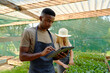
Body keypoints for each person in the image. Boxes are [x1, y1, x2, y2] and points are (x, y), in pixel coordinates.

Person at [19, 8, 68, 73]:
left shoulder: (52, 36)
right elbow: (22, 57)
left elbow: (52, 57)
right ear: (40, 18)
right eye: (48, 20)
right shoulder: (29, 32)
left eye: (52, 22)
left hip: (50, 71)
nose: (50, 24)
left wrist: (59, 56)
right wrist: (41, 54)